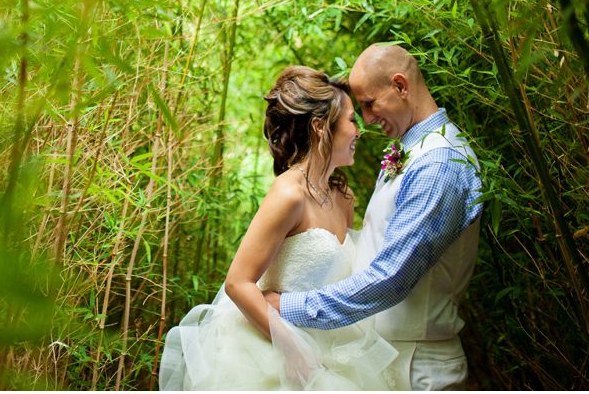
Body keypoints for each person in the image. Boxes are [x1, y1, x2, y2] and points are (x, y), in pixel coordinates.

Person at [159, 65, 408, 391]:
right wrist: (290, 348)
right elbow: (237, 283)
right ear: (321, 127)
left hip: (329, 343)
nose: (359, 131)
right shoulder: (289, 194)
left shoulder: (344, 196)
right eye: (351, 120)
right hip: (267, 347)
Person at [263, 44, 483, 390]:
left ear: (401, 86)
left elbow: (391, 277)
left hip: (418, 368)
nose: (366, 120)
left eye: (369, 103)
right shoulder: (411, 152)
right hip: (388, 358)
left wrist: (289, 307)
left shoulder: (438, 165)